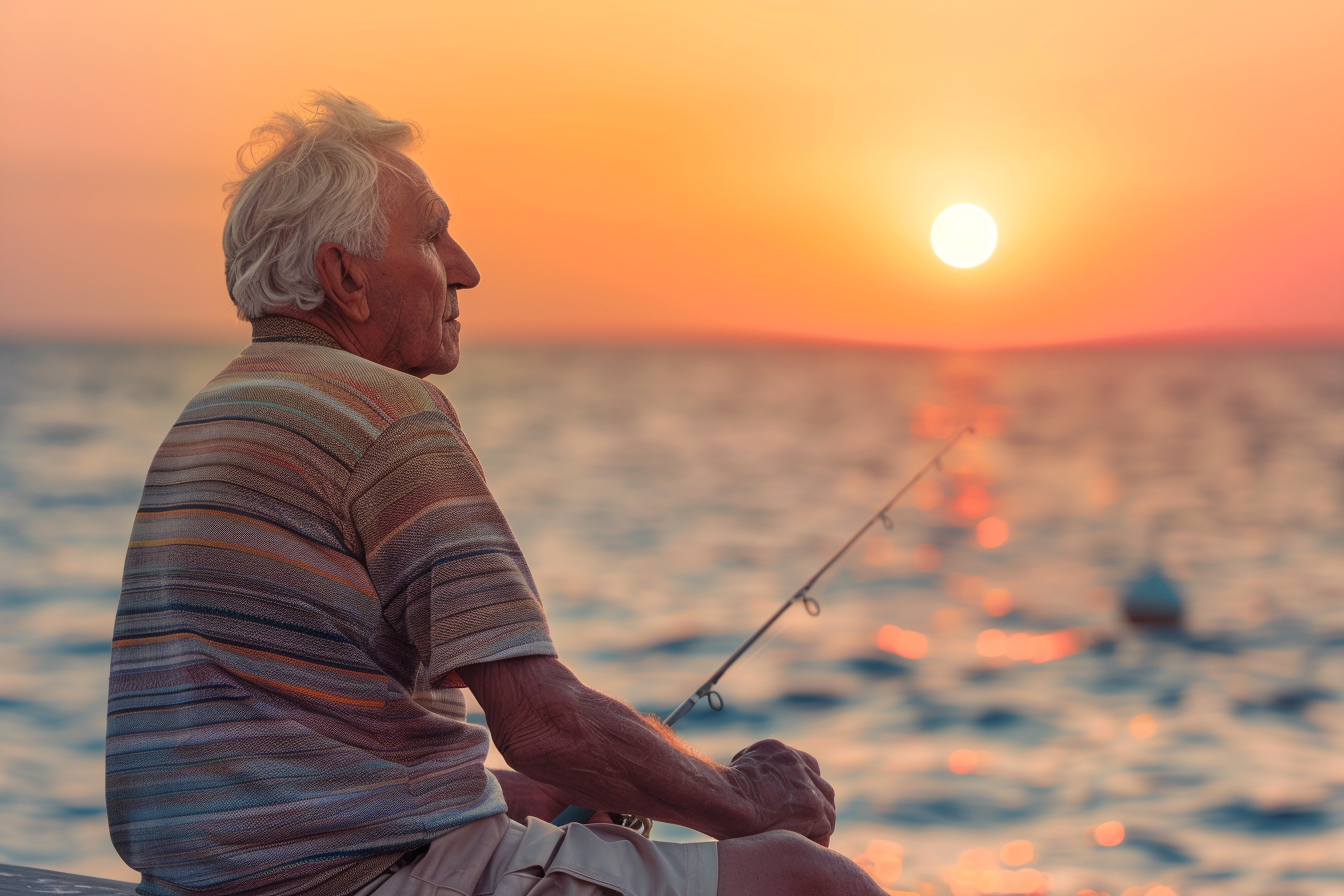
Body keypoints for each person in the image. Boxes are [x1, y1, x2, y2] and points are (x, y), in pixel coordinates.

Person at [106, 92, 888, 896]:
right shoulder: (386, 414)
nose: (465, 268)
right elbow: (542, 724)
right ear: (345, 276)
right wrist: (747, 802)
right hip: (348, 882)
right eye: (431, 235)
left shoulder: (209, 416)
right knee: (812, 881)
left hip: (208, 877)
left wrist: (519, 795)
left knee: (558, 799)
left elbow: (270, 742)